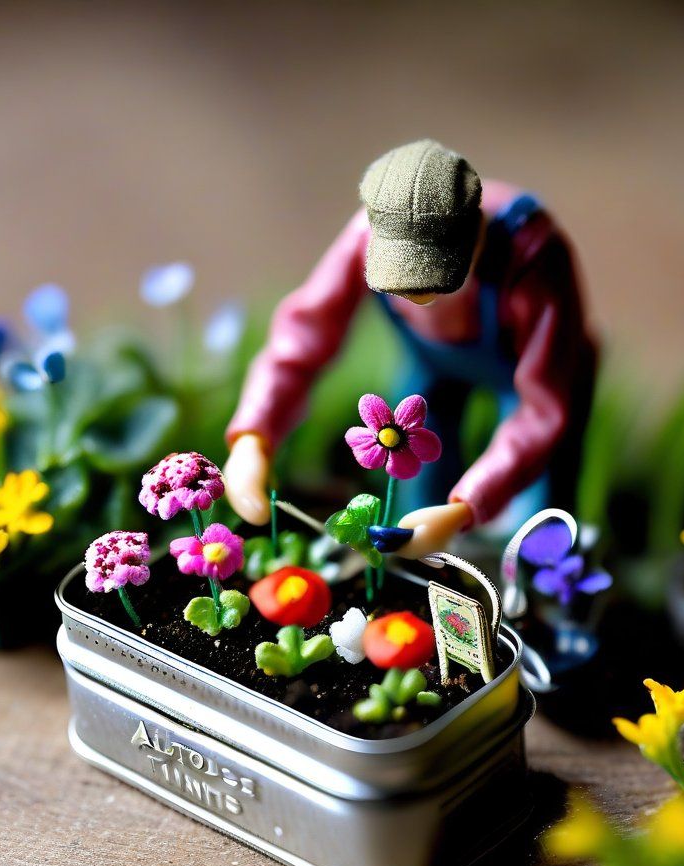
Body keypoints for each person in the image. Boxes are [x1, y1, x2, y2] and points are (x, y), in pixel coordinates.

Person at [224, 139, 597, 558]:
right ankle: (428, 572)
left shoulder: (533, 256)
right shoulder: (370, 233)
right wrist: (254, 435)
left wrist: (466, 506)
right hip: (431, 364)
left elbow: (541, 409)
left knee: (536, 505)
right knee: (414, 468)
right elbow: (301, 337)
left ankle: (538, 591)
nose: (418, 298)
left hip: (535, 377)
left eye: (436, 282)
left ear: (475, 235)